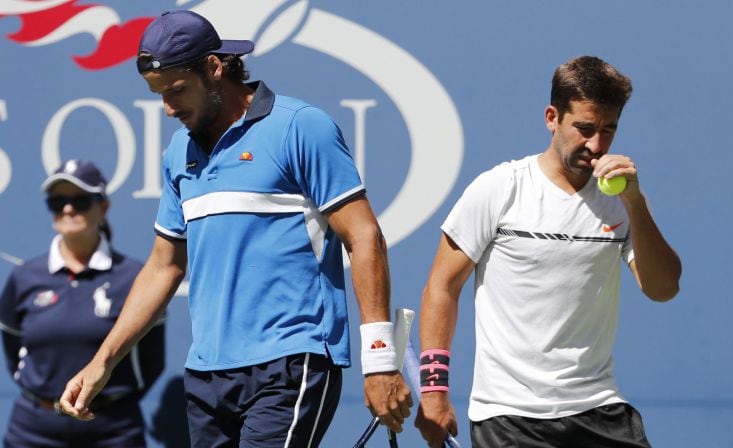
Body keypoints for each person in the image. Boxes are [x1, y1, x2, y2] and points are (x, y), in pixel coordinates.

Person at [57, 10, 411, 448]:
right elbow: (164, 267)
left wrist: (380, 359)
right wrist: (103, 362)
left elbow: (364, 237)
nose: (168, 107)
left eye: (177, 89)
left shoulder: (300, 127)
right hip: (206, 376)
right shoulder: (177, 154)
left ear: (213, 67)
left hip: (291, 361)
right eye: (158, 94)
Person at [414, 56, 682, 448]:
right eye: (585, 128)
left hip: (600, 409)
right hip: (509, 417)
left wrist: (636, 205)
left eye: (609, 130)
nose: (597, 144)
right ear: (552, 117)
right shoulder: (498, 189)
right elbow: (442, 287)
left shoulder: (624, 202)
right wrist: (434, 390)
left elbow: (663, 288)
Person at [0, 159, 165, 448]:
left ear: (103, 207)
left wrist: (109, 403)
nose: (68, 209)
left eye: (80, 200)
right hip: (33, 431)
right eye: (58, 201)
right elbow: (13, 351)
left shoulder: (134, 279)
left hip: (114, 430)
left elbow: (151, 362)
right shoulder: (24, 277)